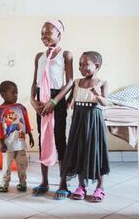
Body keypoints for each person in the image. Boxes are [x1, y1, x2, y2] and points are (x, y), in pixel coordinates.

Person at [58, 51, 110, 202]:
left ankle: (100, 187)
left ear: (97, 66)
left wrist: (97, 95)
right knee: (79, 151)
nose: (81, 67)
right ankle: (81, 186)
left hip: (93, 119)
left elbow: (105, 103)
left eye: (86, 64)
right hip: (78, 120)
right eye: (80, 64)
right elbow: (68, 102)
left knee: (95, 151)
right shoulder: (76, 83)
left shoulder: (102, 83)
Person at [30, 20, 73, 198]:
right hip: (41, 99)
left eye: (48, 33)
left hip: (57, 99)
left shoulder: (66, 55)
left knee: (59, 140)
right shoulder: (39, 56)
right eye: (42, 33)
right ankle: (44, 182)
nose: (44, 36)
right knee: (43, 139)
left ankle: (63, 183)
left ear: (59, 35)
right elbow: (34, 82)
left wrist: (54, 102)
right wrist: (33, 100)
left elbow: (70, 82)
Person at [0, 81, 34, 193]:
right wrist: (0, 142)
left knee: (22, 164)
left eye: (17, 93)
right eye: (13, 93)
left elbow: (26, 122)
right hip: (7, 145)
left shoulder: (21, 107)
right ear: (3, 94)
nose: (16, 95)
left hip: (20, 143)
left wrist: (30, 134)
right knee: (6, 166)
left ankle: (23, 183)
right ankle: (5, 183)